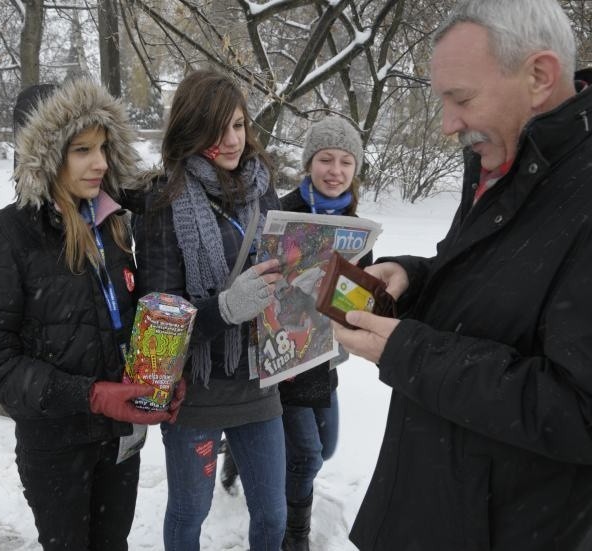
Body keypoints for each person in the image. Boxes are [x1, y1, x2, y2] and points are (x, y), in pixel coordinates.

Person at [332, 1, 592, 550]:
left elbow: (578, 412)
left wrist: (410, 352)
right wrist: (411, 276)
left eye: (462, 99)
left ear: (539, 77)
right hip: (430, 505)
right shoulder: (504, 158)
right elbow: (488, 286)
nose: (449, 124)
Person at [0, 79, 182, 551]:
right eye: (81, 150)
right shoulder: (7, 236)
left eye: (102, 148)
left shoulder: (111, 222)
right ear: (45, 155)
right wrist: (92, 395)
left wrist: (162, 375)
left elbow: (126, 316)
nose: (99, 163)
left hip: (121, 439)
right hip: (55, 445)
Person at [133, 69, 287, 551]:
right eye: (217, 127)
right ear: (190, 128)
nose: (232, 139)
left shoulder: (264, 189)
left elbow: (280, 268)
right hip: (194, 392)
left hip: (259, 381)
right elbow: (157, 332)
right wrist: (225, 307)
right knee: (188, 512)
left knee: (273, 512)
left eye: (239, 124)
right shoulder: (165, 200)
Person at [279, 116, 371, 551]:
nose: (335, 170)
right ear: (309, 163)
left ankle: (245, 463)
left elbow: (361, 296)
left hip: (326, 357)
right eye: (326, 159)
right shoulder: (283, 211)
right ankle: (294, 535)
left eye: (346, 162)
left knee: (327, 446)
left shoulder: (358, 225)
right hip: (285, 356)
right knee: (307, 455)